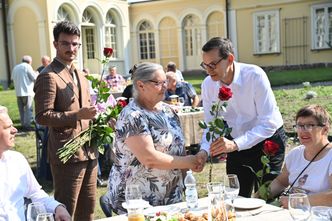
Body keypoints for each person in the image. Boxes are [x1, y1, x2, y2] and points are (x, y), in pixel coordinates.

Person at [107, 62, 202, 214]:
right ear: (140, 85)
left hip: (170, 199)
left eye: (165, 81)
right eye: (158, 83)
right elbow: (149, 158)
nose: (165, 86)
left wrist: (187, 181)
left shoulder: (169, 111)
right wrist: (189, 162)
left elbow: (178, 150)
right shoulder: (132, 115)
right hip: (138, 201)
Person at [196, 37, 287, 197]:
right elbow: (212, 125)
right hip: (235, 142)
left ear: (230, 59)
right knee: (236, 196)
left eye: (213, 64)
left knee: (267, 196)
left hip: (268, 139)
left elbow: (269, 123)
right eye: (205, 65)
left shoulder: (254, 76)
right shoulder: (208, 85)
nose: (209, 70)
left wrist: (236, 144)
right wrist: (204, 151)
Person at [34, 21, 98, 220]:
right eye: (65, 44)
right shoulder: (48, 76)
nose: (71, 48)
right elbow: (42, 116)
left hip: (90, 150)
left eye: (75, 44)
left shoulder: (81, 74)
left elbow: (87, 110)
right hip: (66, 153)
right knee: (66, 212)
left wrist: (102, 120)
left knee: (87, 211)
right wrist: (77, 115)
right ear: (55, 44)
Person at [0, 105, 71, 221]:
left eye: (13, 125)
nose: (15, 130)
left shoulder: (17, 160)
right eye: (8, 127)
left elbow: (35, 193)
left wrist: (58, 207)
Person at [266, 104, 332, 208]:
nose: (303, 130)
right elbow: (280, 182)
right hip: (291, 213)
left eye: (309, 125)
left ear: (325, 129)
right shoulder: (295, 154)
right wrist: (258, 198)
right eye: (299, 125)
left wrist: (295, 202)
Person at [11, 55, 38, 131]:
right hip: (27, 91)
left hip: (18, 92)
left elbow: (12, 78)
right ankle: (27, 126)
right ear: (29, 61)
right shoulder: (27, 67)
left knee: (21, 110)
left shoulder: (16, 67)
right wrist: (36, 73)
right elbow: (34, 78)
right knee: (28, 109)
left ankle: (23, 124)